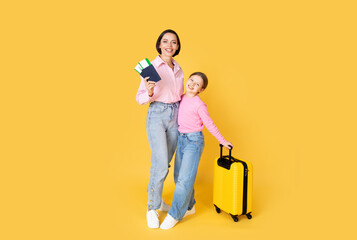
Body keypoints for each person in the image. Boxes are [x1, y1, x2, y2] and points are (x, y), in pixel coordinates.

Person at [160, 72, 233, 229]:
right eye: (191, 80)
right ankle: (189, 206)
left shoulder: (200, 105)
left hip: (194, 142)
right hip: (181, 138)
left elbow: (210, 124)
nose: (192, 84)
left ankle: (175, 214)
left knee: (184, 180)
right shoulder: (182, 97)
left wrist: (223, 141)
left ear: (201, 89)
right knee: (179, 176)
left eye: (197, 84)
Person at [136, 29, 184, 229]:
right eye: (165, 41)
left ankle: (158, 199)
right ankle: (152, 208)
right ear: (159, 45)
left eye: (173, 42)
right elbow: (139, 99)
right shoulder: (151, 67)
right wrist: (148, 91)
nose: (169, 45)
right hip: (157, 114)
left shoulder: (179, 68)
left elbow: (180, 96)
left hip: (175, 114)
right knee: (160, 163)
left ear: (177, 46)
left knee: (166, 163)